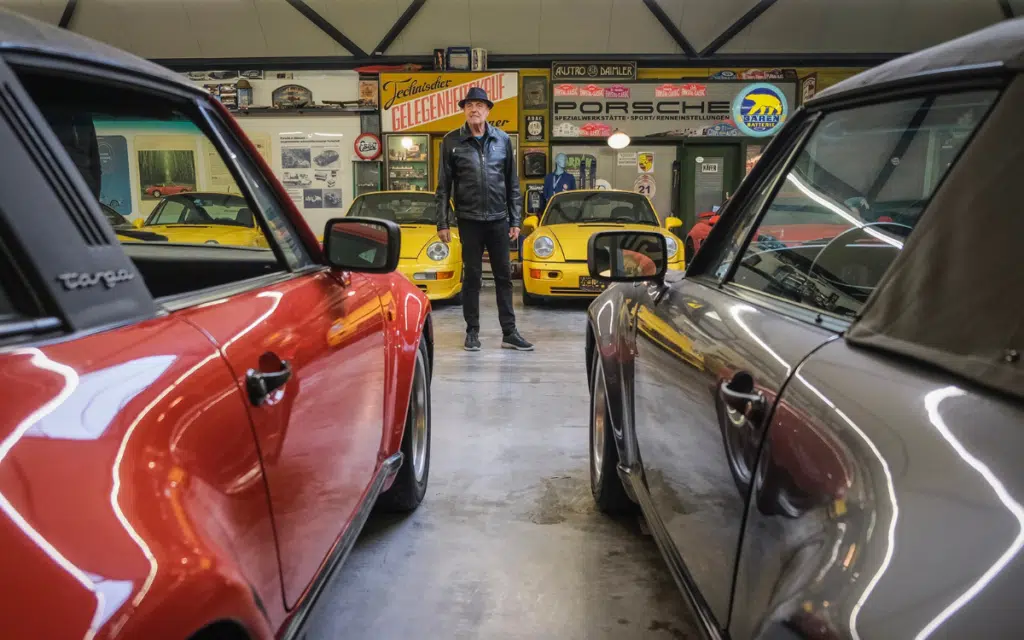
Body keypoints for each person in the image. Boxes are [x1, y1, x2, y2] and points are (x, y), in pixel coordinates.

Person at [435, 87, 534, 352]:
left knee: (504, 277)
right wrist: (442, 222)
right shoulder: (451, 142)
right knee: (472, 278)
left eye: (479, 104)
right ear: (464, 109)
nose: (474, 109)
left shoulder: (502, 140)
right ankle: (472, 332)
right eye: (469, 105)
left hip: (499, 221)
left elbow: (513, 182)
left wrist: (516, 220)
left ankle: (510, 332)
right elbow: (443, 186)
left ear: (488, 110)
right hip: (468, 220)